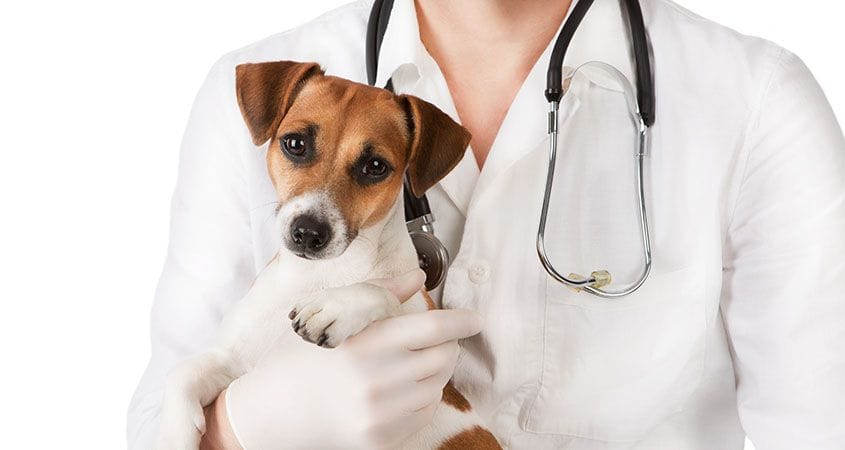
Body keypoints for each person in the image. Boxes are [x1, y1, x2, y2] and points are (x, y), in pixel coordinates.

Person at [128, 0, 845, 448]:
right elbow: (154, 418)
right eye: (297, 151)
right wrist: (249, 427)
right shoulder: (255, 90)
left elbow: (819, 428)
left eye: (371, 168)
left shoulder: (756, 104)